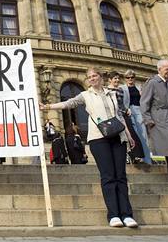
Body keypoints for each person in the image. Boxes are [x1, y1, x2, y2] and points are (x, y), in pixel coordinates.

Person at [40, 68, 138, 228]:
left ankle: (127, 215)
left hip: (118, 136)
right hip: (98, 138)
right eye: (89, 77)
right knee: (108, 176)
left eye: (95, 76)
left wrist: (129, 135)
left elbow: (120, 115)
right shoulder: (85, 95)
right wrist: (48, 107)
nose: (92, 79)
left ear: (101, 77)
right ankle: (113, 215)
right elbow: (69, 103)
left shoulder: (112, 93)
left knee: (120, 175)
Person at [140, 60, 168, 182]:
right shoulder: (152, 83)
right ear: (159, 69)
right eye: (167, 69)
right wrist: (148, 119)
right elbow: (144, 102)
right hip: (160, 118)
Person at [107, 71, 144, 164]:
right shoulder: (106, 90)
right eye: (115, 78)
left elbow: (123, 102)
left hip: (123, 114)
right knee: (118, 138)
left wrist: (127, 109)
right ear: (110, 80)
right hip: (113, 116)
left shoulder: (121, 90)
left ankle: (136, 156)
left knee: (131, 134)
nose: (117, 80)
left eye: (118, 78)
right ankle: (124, 157)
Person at [120, 70, 152, 164]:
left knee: (143, 135)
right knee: (133, 134)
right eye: (128, 77)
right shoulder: (122, 88)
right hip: (128, 112)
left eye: (132, 77)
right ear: (125, 78)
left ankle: (147, 159)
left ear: (135, 78)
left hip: (139, 111)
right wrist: (125, 109)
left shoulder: (139, 88)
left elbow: (146, 100)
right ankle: (136, 156)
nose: (130, 79)